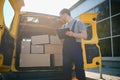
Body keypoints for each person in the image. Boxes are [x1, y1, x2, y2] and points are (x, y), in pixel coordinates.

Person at [59, 8, 87, 80]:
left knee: (79, 69)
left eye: (61, 16)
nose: (60, 18)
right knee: (66, 70)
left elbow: (85, 35)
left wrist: (73, 34)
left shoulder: (78, 22)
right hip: (66, 50)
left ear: (65, 14)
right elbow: (62, 41)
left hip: (76, 49)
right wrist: (61, 39)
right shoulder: (63, 26)